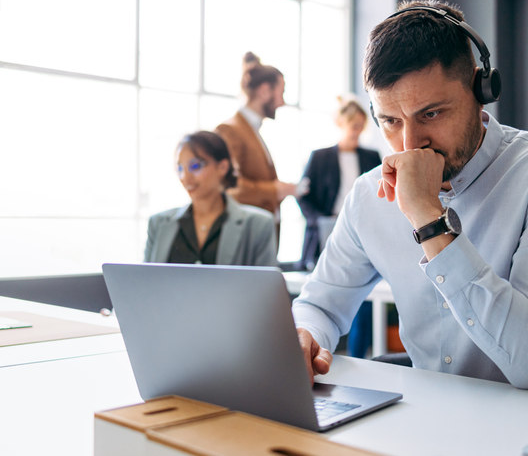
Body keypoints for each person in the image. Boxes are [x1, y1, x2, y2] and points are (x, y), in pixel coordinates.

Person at [292, 0, 528, 395]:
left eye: (431, 114)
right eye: (390, 121)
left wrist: (429, 219)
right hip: (431, 425)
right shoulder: (368, 195)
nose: (410, 143)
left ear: (480, 89)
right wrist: (306, 334)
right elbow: (320, 305)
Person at [297, 95, 382, 358]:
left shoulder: (371, 156)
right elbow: (304, 195)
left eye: (360, 125)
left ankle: (358, 356)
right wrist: (318, 222)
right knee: (325, 295)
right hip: (325, 229)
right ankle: (324, 350)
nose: (357, 130)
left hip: (362, 228)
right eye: (352, 125)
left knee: (366, 298)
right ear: (340, 124)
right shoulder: (320, 157)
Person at [145, 130, 278, 267]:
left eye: (195, 166)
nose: (185, 177)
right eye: (180, 168)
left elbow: (265, 286)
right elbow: (145, 281)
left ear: (222, 167)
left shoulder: (258, 225)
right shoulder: (158, 224)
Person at [215, 52, 300, 246]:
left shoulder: (252, 131)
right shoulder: (230, 130)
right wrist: (276, 190)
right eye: (281, 92)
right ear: (264, 91)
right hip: (244, 239)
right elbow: (229, 185)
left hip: (259, 236)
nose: (282, 101)